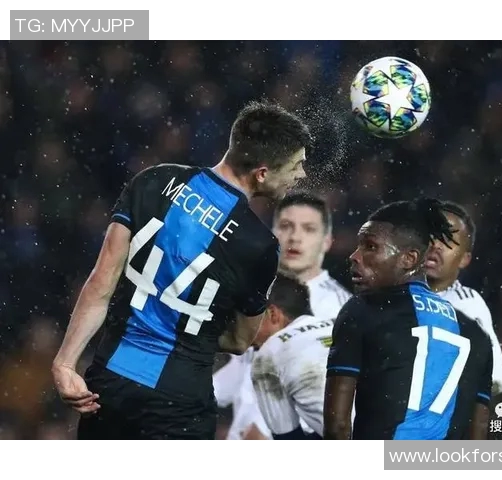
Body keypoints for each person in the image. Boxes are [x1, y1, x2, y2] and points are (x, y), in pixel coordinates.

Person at [51, 99, 312, 440]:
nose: (302, 175)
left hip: (109, 384)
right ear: (261, 173)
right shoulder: (259, 245)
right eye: (296, 165)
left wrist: (65, 363)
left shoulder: (153, 180)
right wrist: (190, 331)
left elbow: (102, 282)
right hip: (179, 403)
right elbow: (239, 340)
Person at [324, 198, 493, 440]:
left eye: (370, 246)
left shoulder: (363, 310)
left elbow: (337, 426)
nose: (355, 256)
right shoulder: (476, 335)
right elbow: (478, 439)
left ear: (410, 259)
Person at [213, 191, 351, 439]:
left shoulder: (341, 310)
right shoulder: (259, 292)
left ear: (326, 242)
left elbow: (326, 396)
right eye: (286, 226)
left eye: (308, 229)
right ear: (272, 234)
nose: (295, 237)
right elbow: (240, 372)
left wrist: (262, 432)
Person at [424, 201, 502, 395]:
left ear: (464, 259)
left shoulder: (467, 306)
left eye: (448, 240)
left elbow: (494, 380)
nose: (436, 245)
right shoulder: (388, 292)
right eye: (431, 236)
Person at [251, 273, 332, 439]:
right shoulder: (340, 325)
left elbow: (288, 439)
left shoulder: (268, 354)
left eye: (249, 316)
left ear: (272, 313)